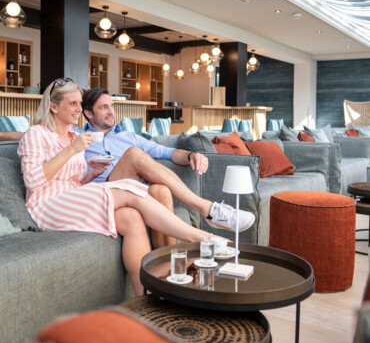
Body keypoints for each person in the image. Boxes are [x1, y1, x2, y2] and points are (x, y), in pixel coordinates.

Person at [17, 78, 231, 297]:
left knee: (131, 217)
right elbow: (33, 181)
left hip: (72, 195)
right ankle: (201, 238)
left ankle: (146, 298)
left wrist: (91, 173)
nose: (78, 109)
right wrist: (71, 150)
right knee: (129, 188)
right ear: (53, 106)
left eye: (79, 103)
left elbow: (74, 182)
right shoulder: (38, 134)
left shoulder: (74, 137)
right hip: (46, 204)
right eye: (73, 104)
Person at [78, 88, 255, 247]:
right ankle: (207, 209)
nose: (111, 112)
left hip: (131, 192)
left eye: (112, 106)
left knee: (161, 191)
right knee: (133, 154)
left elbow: (166, 152)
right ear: (88, 113)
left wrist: (190, 155)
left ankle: (167, 266)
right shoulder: (76, 136)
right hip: (101, 194)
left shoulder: (128, 136)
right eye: (103, 108)